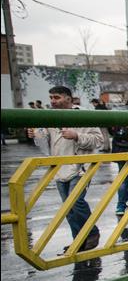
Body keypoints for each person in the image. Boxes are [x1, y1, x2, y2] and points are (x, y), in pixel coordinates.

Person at [26, 86, 103, 253]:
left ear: (68, 98)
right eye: (51, 98)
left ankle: (92, 233)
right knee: (68, 208)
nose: (53, 101)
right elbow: (45, 143)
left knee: (76, 202)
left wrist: (77, 136)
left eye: (57, 97)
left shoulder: (84, 115)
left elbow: (98, 140)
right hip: (59, 168)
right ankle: (78, 241)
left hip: (80, 167)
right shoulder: (50, 116)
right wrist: (36, 135)